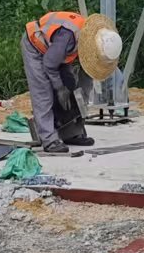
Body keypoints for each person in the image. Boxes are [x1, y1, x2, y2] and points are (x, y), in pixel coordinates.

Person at [20, 10, 123, 153]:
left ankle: (71, 133)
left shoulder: (94, 38)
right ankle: (49, 140)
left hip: (57, 51)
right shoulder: (68, 35)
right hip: (36, 46)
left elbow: (85, 77)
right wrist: (60, 88)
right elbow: (49, 64)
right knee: (44, 93)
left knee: (70, 85)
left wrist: (80, 100)